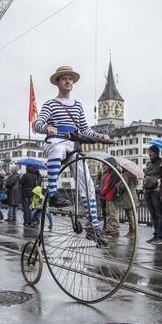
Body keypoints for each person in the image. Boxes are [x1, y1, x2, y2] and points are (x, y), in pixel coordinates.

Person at [33, 65, 110, 247]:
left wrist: (100, 136)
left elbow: (84, 129)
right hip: (57, 140)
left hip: (74, 144)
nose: (68, 81)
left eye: (70, 79)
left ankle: (94, 227)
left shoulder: (77, 105)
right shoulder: (51, 104)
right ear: (58, 83)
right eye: (64, 79)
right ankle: (52, 193)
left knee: (88, 185)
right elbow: (38, 123)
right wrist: (47, 128)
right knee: (57, 149)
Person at [143, 145, 162, 245]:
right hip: (147, 191)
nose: (149, 153)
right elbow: (146, 175)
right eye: (148, 152)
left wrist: (160, 188)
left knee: (159, 215)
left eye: (151, 152)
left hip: (156, 191)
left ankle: (160, 237)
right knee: (153, 215)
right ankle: (156, 235)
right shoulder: (148, 163)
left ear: (156, 153)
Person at [99, 158, 121, 239]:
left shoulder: (114, 172)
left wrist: (102, 192)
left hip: (112, 194)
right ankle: (109, 228)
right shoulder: (111, 171)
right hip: (109, 195)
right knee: (109, 212)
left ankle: (114, 229)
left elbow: (109, 184)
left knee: (113, 212)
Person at [120, 170, 139, 238]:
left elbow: (124, 186)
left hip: (128, 195)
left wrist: (120, 185)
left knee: (129, 213)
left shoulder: (125, 174)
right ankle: (134, 231)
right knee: (134, 214)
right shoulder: (133, 174)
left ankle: (132, 231)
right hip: (134, 194)